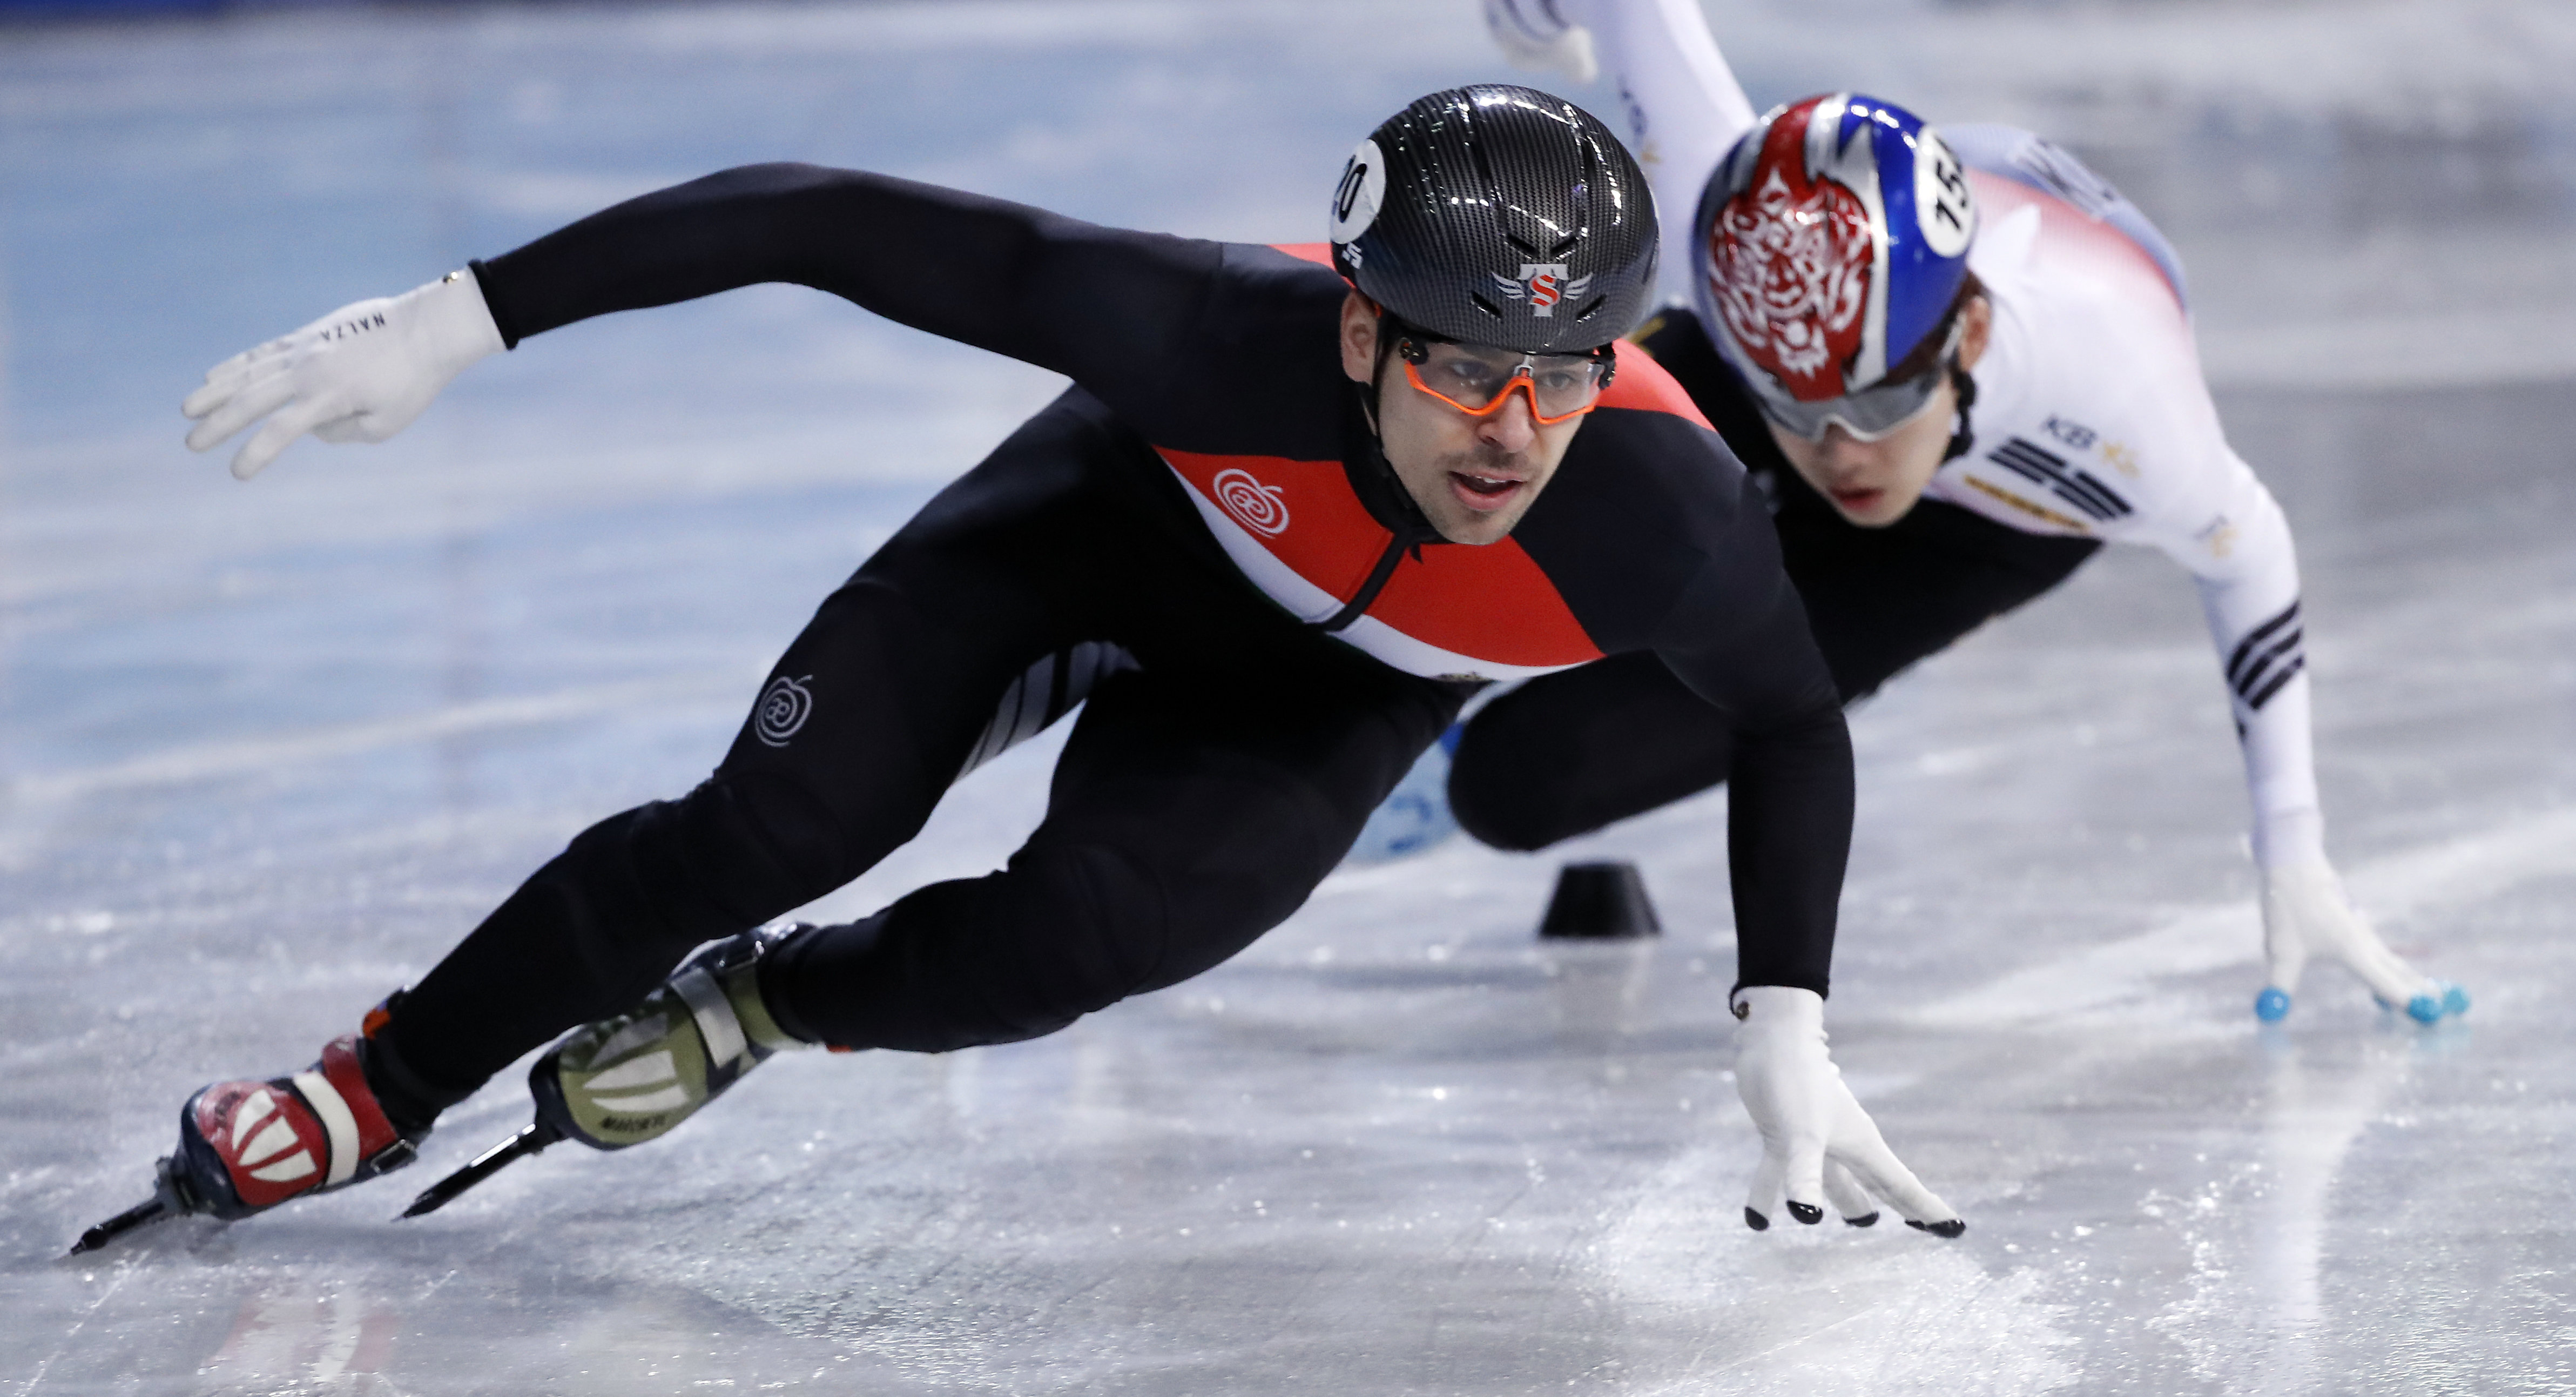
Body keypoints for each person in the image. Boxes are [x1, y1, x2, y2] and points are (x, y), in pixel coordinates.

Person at [111, 86, 1963, 1247]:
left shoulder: (1668, 518)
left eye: (1559, 377)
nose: (1510, 429)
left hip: (1324, 694)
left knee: (1089, 942)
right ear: (1355, 326)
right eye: (1464, 364)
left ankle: (766, 1004)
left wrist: (1783, 1006)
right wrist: (462, 315)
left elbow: (1793, 716)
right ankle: (381, 1078)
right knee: (776, 815)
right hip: (1096, 533)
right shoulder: (1207, 334)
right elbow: (819, 217)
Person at [1458, 0, 2465, 1027]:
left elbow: (2246, 553)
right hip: (1784, 341)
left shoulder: (2115, 409)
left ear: (1969, 334)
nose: (1841, 451)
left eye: (1882, 401)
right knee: (1497, 482)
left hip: (1998, 520)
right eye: (1803, 413)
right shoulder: (1728, 255)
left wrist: (2290, 843)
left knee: (1517, 787)